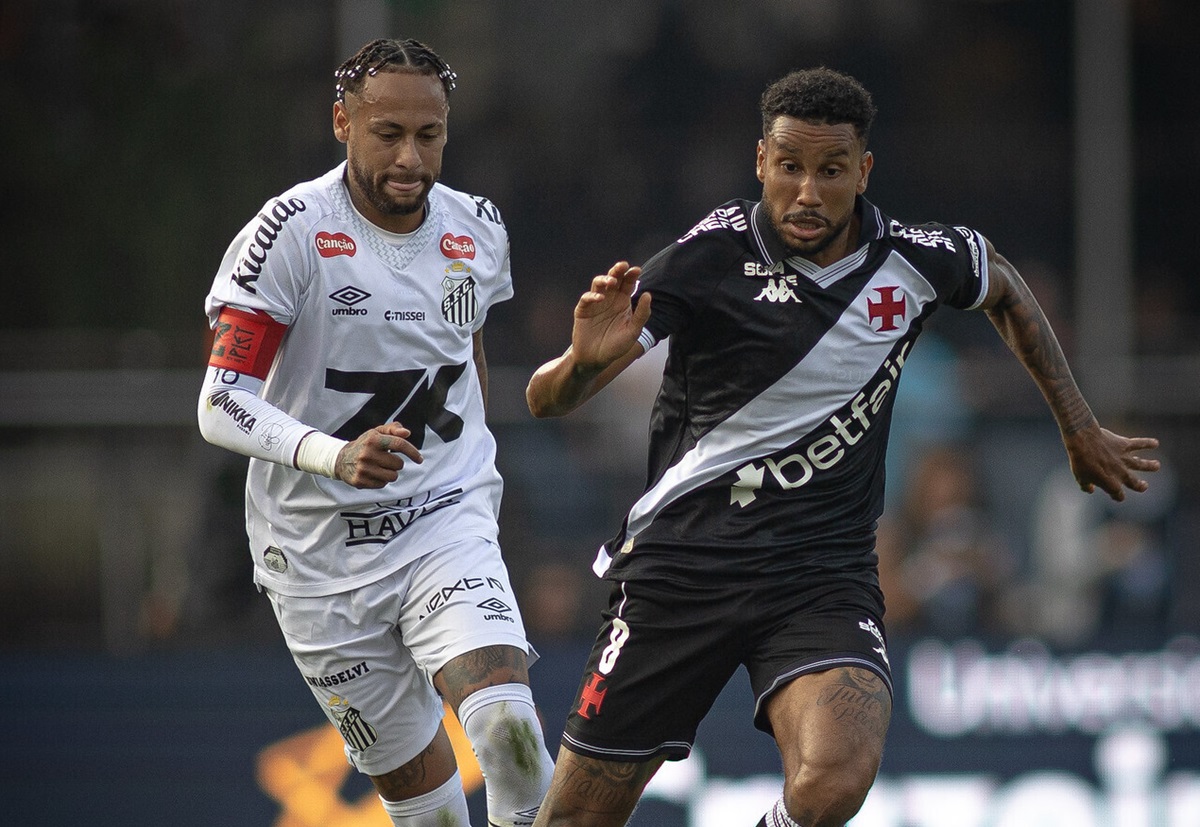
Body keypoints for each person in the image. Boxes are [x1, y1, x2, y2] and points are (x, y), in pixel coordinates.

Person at [525, 67, 1160, 827]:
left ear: (862, 172)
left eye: (830, 171)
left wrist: (1078, 427)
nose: (806, 191)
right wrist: (581, 363)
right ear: (761, 161)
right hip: (681, 568)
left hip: (819, 576)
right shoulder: (712, 254)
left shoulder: (913, 260)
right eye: (789, 167)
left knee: (837, 774)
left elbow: (1006, 286)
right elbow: (544, 399)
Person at [197, 38, 554, 827]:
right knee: (429, 812)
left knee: (511, 739)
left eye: (429, 136)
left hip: (441, 523)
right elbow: (220, 401)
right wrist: (335, 454)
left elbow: (467, 355)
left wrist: (467, 479)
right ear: (341, 122)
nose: (410, 157)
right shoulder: (289, 234)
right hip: (318, 561)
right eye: (387, 132)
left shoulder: (477, 229)